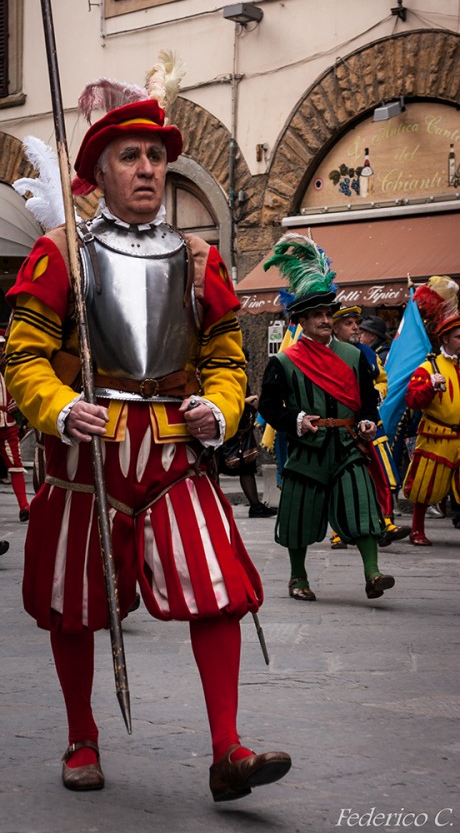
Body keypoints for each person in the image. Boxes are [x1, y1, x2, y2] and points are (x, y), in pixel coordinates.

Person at [4, 74, 291, 801]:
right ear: (99, 172)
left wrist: (220, 410)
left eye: (157, 159)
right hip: (86, 456)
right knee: (74, 602)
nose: (148, 171)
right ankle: (80, 737)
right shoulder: (60, 252)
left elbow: (228, 356)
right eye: (131, 157)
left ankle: (229, 750)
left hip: (171, 453)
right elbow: (23, 355)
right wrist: (61, 407)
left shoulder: (200, 259)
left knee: (219, 589)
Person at [258, 234, 395, 604]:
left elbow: (368, 401)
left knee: (363, 505)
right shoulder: (283, 361)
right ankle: (298, 578)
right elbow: (269, 408)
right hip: (307, 448)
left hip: (348, 446)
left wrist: (368, 419)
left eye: (327, 314)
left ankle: (373, 574)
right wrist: (296, 419)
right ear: (301, 320)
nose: (323, 319)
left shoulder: (355, 356)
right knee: (299, 515)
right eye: (315, 315)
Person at [332, 305, 408, 549]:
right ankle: (338, 529)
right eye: (349, 323)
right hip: (340, 425)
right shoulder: (326, 353)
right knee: (339, 478)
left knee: (381, 474)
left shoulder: (367, 352)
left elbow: (382, 380)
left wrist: (376, 392)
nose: (356, 328)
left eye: (357, 322)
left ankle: (384, 523)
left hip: (371, 423)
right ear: (334, 327)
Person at [403, 308, 460, 546]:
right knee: (425, 484)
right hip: (436, 435)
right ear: (445, 339)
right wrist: (429, 387)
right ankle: (417, 529)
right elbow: (412, 401)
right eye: (458, 337)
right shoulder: (428, 368)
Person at [217, 391, 277, 518]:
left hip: (239, 423)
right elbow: (219, 398)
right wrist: (244, 400)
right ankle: (215, 505)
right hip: (226, 422)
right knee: (215, 466)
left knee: (246, 465)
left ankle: (255, 506)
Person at [0, 365, 30, 521]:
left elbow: (24, 387)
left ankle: (24, 506)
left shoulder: (11, 366)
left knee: (16, 465)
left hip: (8, 426)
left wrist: (19, 401)